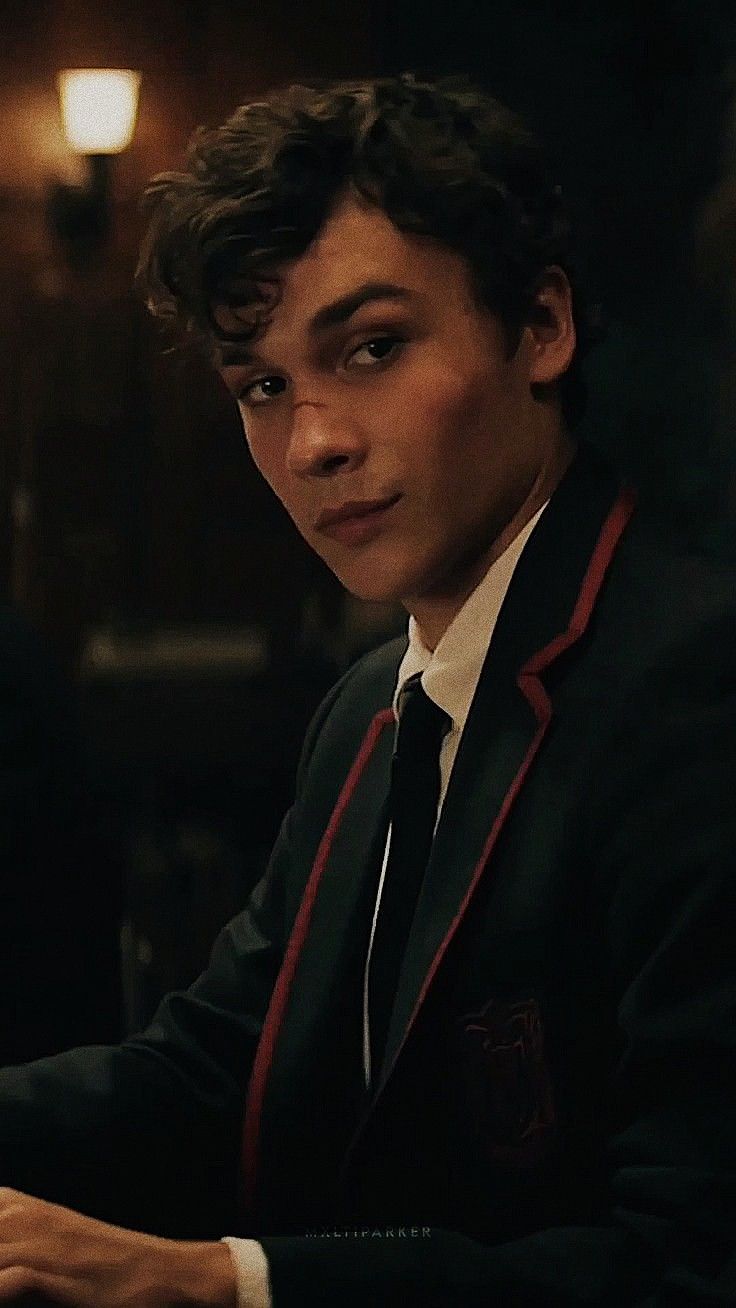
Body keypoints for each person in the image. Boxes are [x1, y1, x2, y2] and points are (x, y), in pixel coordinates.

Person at [0, 71, 733, 1307]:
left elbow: (689, 1262)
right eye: (263, 386)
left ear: (541, 327)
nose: (313, 443)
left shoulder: (693, 682)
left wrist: (221, 1283)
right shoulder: (366, 707)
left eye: (373, 347)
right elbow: (220, 1065)